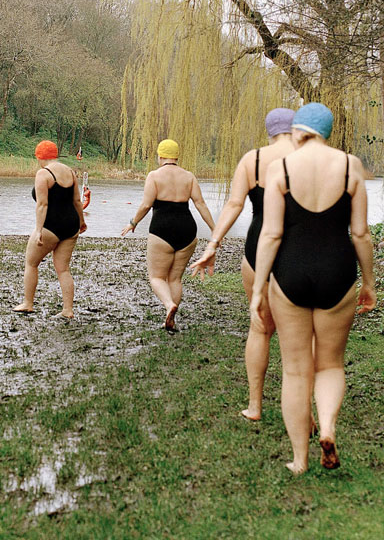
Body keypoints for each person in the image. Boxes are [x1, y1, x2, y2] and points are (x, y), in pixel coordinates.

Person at [251, 102, 376, 474]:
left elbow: (271, 234)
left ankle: (300, 459)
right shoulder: (350, 165)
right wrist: (368, 282)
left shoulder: (280, 168)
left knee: (295, 371)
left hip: (290, 274)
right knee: (330, 364)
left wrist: (259, 288)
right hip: (338, 273)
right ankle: (329, 428)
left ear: (298, 131)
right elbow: (361, 233)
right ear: (326, 131)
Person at [189, 108, 296, 420]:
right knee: (301, 336)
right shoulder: (310, 157)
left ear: (270, 131)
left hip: (257, 245)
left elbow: (235, 204)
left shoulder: (254, 159)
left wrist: (213, 243)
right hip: (301, 248)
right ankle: (306, 411)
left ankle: (255, 406)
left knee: (259, 329)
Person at [121, 139, 218, 332]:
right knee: (175, 279)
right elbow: (201, 204)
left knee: (156, 276)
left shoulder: (154, 176)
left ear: (160, 156)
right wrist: (215, 230)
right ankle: (172, 316)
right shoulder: (189, 176)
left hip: (162, 229)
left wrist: (133, 223)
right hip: (187, 229)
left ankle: (168, 305)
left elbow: (146, 205)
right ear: (176, 156)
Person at [13, 140, 86, 319]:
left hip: (51, 225)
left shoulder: (43, 174)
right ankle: (68, 310)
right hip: (71, 224)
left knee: (31, 263)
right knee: (63, 269)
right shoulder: (69, 171)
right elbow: (77, 201)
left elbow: (42, 204)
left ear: (39, 156)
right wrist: (82, 222)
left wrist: (38, 230)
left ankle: (28, 303)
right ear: (55, 155)